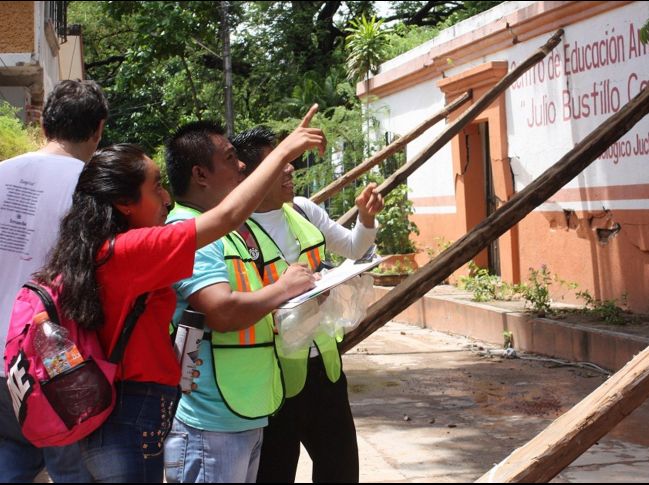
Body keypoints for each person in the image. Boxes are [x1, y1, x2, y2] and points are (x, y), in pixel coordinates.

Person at [31, 105, 324, 483]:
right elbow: (227, 217)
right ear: (123, 204)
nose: (166, 196)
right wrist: (284, 152)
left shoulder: (99, 249)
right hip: (133, 416)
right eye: (155, 187)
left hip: (128, 410)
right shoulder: (132, 249)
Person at [232, 127, 383, 483]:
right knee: (275, 471)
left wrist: (366, 219)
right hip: (272, 375)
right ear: (253, 174)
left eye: (289, 161)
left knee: (340, 470)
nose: (289, 170)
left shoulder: (301, 209)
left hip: (324, 366)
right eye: (279, 162)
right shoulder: (233, 228)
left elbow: (352, 248)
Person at [0, 79, 108, 483]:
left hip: (2, 362)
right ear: (98, 128)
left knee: (11, 459)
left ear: (44, 125)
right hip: (59, 364)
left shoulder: (1, 173)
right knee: (71, 471)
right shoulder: (95, 187)